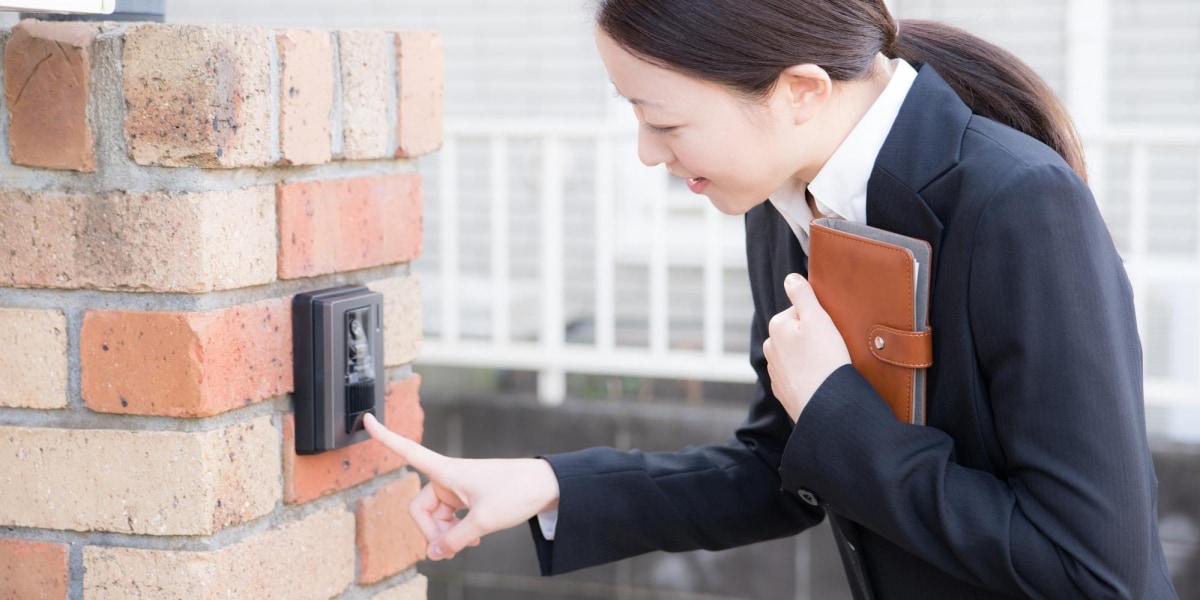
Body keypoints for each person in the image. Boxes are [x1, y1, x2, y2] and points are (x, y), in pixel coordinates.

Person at [364, 1, 1179, 597]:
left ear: (800, 91)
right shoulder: (783, 197)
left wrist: (834, 406)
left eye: (664, 121)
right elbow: (781, 472)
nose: (648, 153)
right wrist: (546, 484)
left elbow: (1089, 567)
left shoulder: (1018, 204)